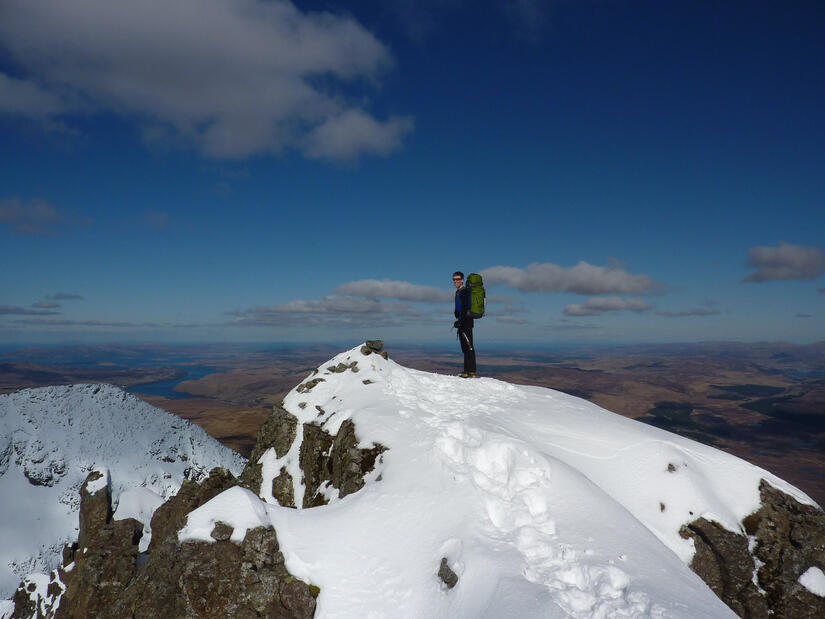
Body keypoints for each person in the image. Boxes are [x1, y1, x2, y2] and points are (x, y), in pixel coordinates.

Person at [452, 271, 476, 378]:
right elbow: (460, 307)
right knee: (467, 346)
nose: (455, 281)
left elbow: (465, 308)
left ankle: (468, 371)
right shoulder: (458, 292)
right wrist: (456, 314)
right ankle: (470, 370)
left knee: (468, 347)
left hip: (466, 323)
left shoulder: (464, 291)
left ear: (462, 280)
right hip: (464, 322)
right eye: (454, 279)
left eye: (457, 279)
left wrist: (460, 321)